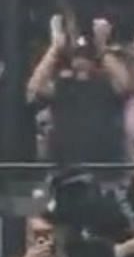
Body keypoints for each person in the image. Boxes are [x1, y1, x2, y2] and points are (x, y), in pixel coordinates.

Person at [27, 20, 127, 167]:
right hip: (65, 166)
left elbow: (125, 83)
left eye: (86, 55)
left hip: (104, 167)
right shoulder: (62, 84)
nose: (81, 60)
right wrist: (55, 49)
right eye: (77, 55)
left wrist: (102, 48)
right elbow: (35, 86)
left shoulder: (104, 83)